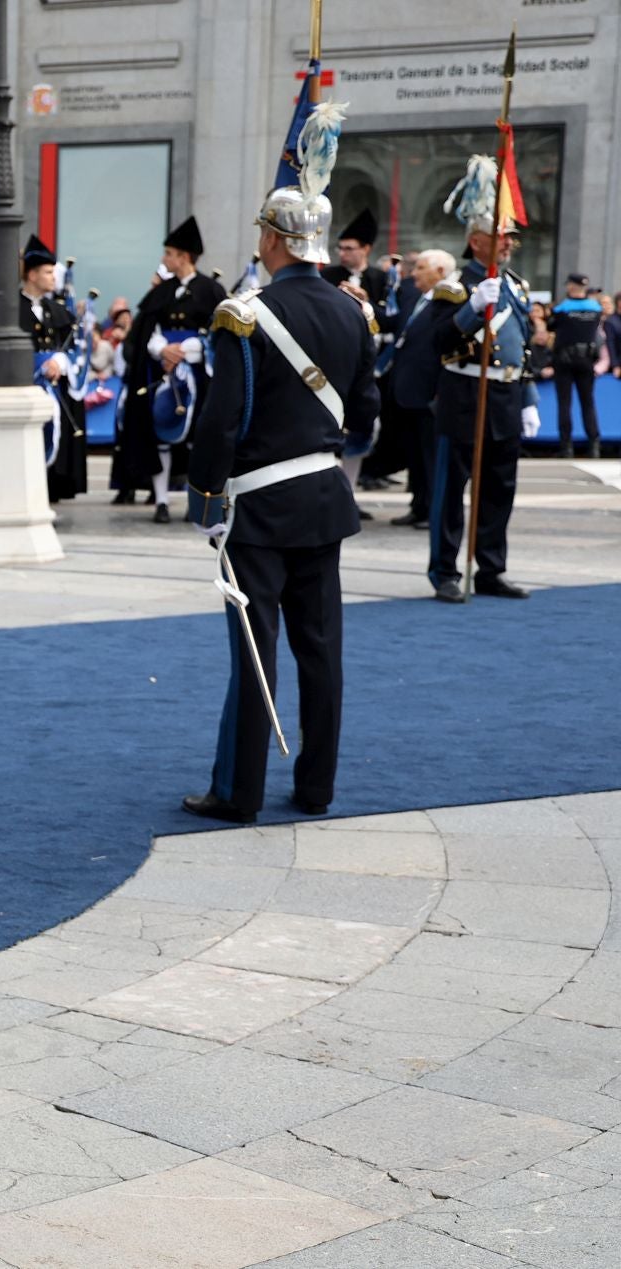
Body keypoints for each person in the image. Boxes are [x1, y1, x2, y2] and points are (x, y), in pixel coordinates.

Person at [181, 170, 378, 826]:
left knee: (255, 655)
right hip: (324, 498)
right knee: (322, 652)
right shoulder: (355, 311)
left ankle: (240, 792)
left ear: (271, 240)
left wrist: (207, 496)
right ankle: (317, 785)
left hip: (259, 507)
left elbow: (222, 419)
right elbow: (368, 414)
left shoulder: (245, 315)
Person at [425, 159, 537, 603]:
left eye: (510, 236)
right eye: (501, 234)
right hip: (466, 391)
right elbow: (437, 340)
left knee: (498, 488)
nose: (508, 242)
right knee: (452, 490)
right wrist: (471, 309)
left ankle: (491, 567)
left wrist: (527, 395)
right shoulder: (455, 287)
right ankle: (444, 570)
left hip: (506, 392)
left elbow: (522, 344)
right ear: (477, 240)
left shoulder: (515, 285)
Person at [114, 217, 226, 521]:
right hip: (161, 372)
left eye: (169, 253)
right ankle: (161, 501)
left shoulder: (212, 290)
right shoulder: (161, 292)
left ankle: (195, 499)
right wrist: (162, 349)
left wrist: (187, 350)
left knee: (197, 437)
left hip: (199, 374)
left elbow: (219, 335)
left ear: (184, 256)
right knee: (160, 430)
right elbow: (145, 331)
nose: (164, 260)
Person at [378, 249, 455, 530]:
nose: (414, 274)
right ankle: (419, 505)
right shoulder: (415, 298)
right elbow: (395, 326)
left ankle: (435, 511)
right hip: (406, 390)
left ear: (440, 272)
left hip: (430, 393)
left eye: (421, 268)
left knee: (432, 457)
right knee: (415, 456)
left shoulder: (449, 303)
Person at [18, 237, 88, 502]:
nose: (53, 277)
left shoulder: (56, 310)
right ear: (32, 274)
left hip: (53, 385)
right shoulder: (12, 307)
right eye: (48, 272)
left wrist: (59, 362)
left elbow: (74, 346)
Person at [549, 273, 603, 458]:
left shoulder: (562, 308)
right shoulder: (595, 308)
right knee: (588, 403)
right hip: (587, 359)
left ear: (571, 286)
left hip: (564, 360)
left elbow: (552, 326)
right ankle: (594, 445)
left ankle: (566, 447)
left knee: (565, 404)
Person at [321, 208, 389, 303]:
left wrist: (366, 301)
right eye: (340, 248)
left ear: (365, 249)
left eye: (348, 248)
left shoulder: (382, 279)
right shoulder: (326, 275)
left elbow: (387, 315)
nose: (342, 253)